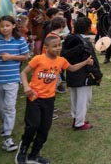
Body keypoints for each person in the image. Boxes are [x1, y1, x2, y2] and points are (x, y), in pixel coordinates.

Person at [15, 36, 94, 164]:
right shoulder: (38, 59)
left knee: (44, 128)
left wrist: (86, 62)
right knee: (32, 125)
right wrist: (26, 87)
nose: (58, 48)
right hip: (34, 97)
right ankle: (23, 149)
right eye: (55, 46)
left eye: (59, 45)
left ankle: (34, 155)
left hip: (49, 99)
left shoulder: (61, 61)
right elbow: (23, 73)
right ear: (46, 48)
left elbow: (72, 68)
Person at [0, 15, 29, 152]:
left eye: (7, 25)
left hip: (12, 80)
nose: (4, 28)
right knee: (1, 108)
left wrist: (10, 57)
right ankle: (5, 126)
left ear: (13, 26)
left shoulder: (20, 40)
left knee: (10, 108)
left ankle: (8, 138)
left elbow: (26, 56)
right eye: (2, 26)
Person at [61, 17, 102, 130]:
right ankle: (80, 122)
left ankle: (77, 118)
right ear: (88, 28)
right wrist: (98, 75)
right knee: (84, 99)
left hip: (72, 73)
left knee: (75, 98)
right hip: (83, 75)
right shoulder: (84, 42)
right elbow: (90, 61)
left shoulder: (69, 39)